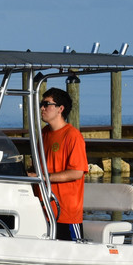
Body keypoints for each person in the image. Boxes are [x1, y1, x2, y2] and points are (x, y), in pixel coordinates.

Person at [38, 87, 88, 241]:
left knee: (74, 252)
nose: (42, 108)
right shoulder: (43, 134)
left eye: (46, 104)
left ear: (60, 108)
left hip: (66, 214)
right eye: (41, 104)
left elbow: (77, 172)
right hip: (43, 211)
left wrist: (44, 177)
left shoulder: (73, 136)